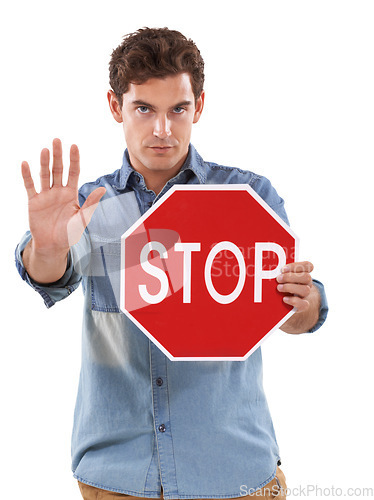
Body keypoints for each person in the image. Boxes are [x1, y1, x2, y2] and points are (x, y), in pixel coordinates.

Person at [15, 27, 328, 500]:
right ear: (116, 106)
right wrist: (49, 246)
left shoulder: (248, 197)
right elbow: (49, 276)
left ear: (198, 106)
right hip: (117, 477)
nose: (162, 129)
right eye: (144, 109)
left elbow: (297, 313)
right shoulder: (89, 206)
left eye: (177, 109)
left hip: (234, 473)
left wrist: (303, 302)